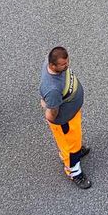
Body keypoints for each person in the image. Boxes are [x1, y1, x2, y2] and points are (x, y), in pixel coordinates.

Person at [40, 46, 92, 189]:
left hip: (72, 115)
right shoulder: (53, 89)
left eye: (67, 62)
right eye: (63, 64)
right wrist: (48, 111)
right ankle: (74, 172)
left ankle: (76, 151)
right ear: (52, 65)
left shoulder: (51, 63)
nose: (67, 65)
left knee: (75, 139)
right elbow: (52, 113)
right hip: (64, 121)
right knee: (70, 147)